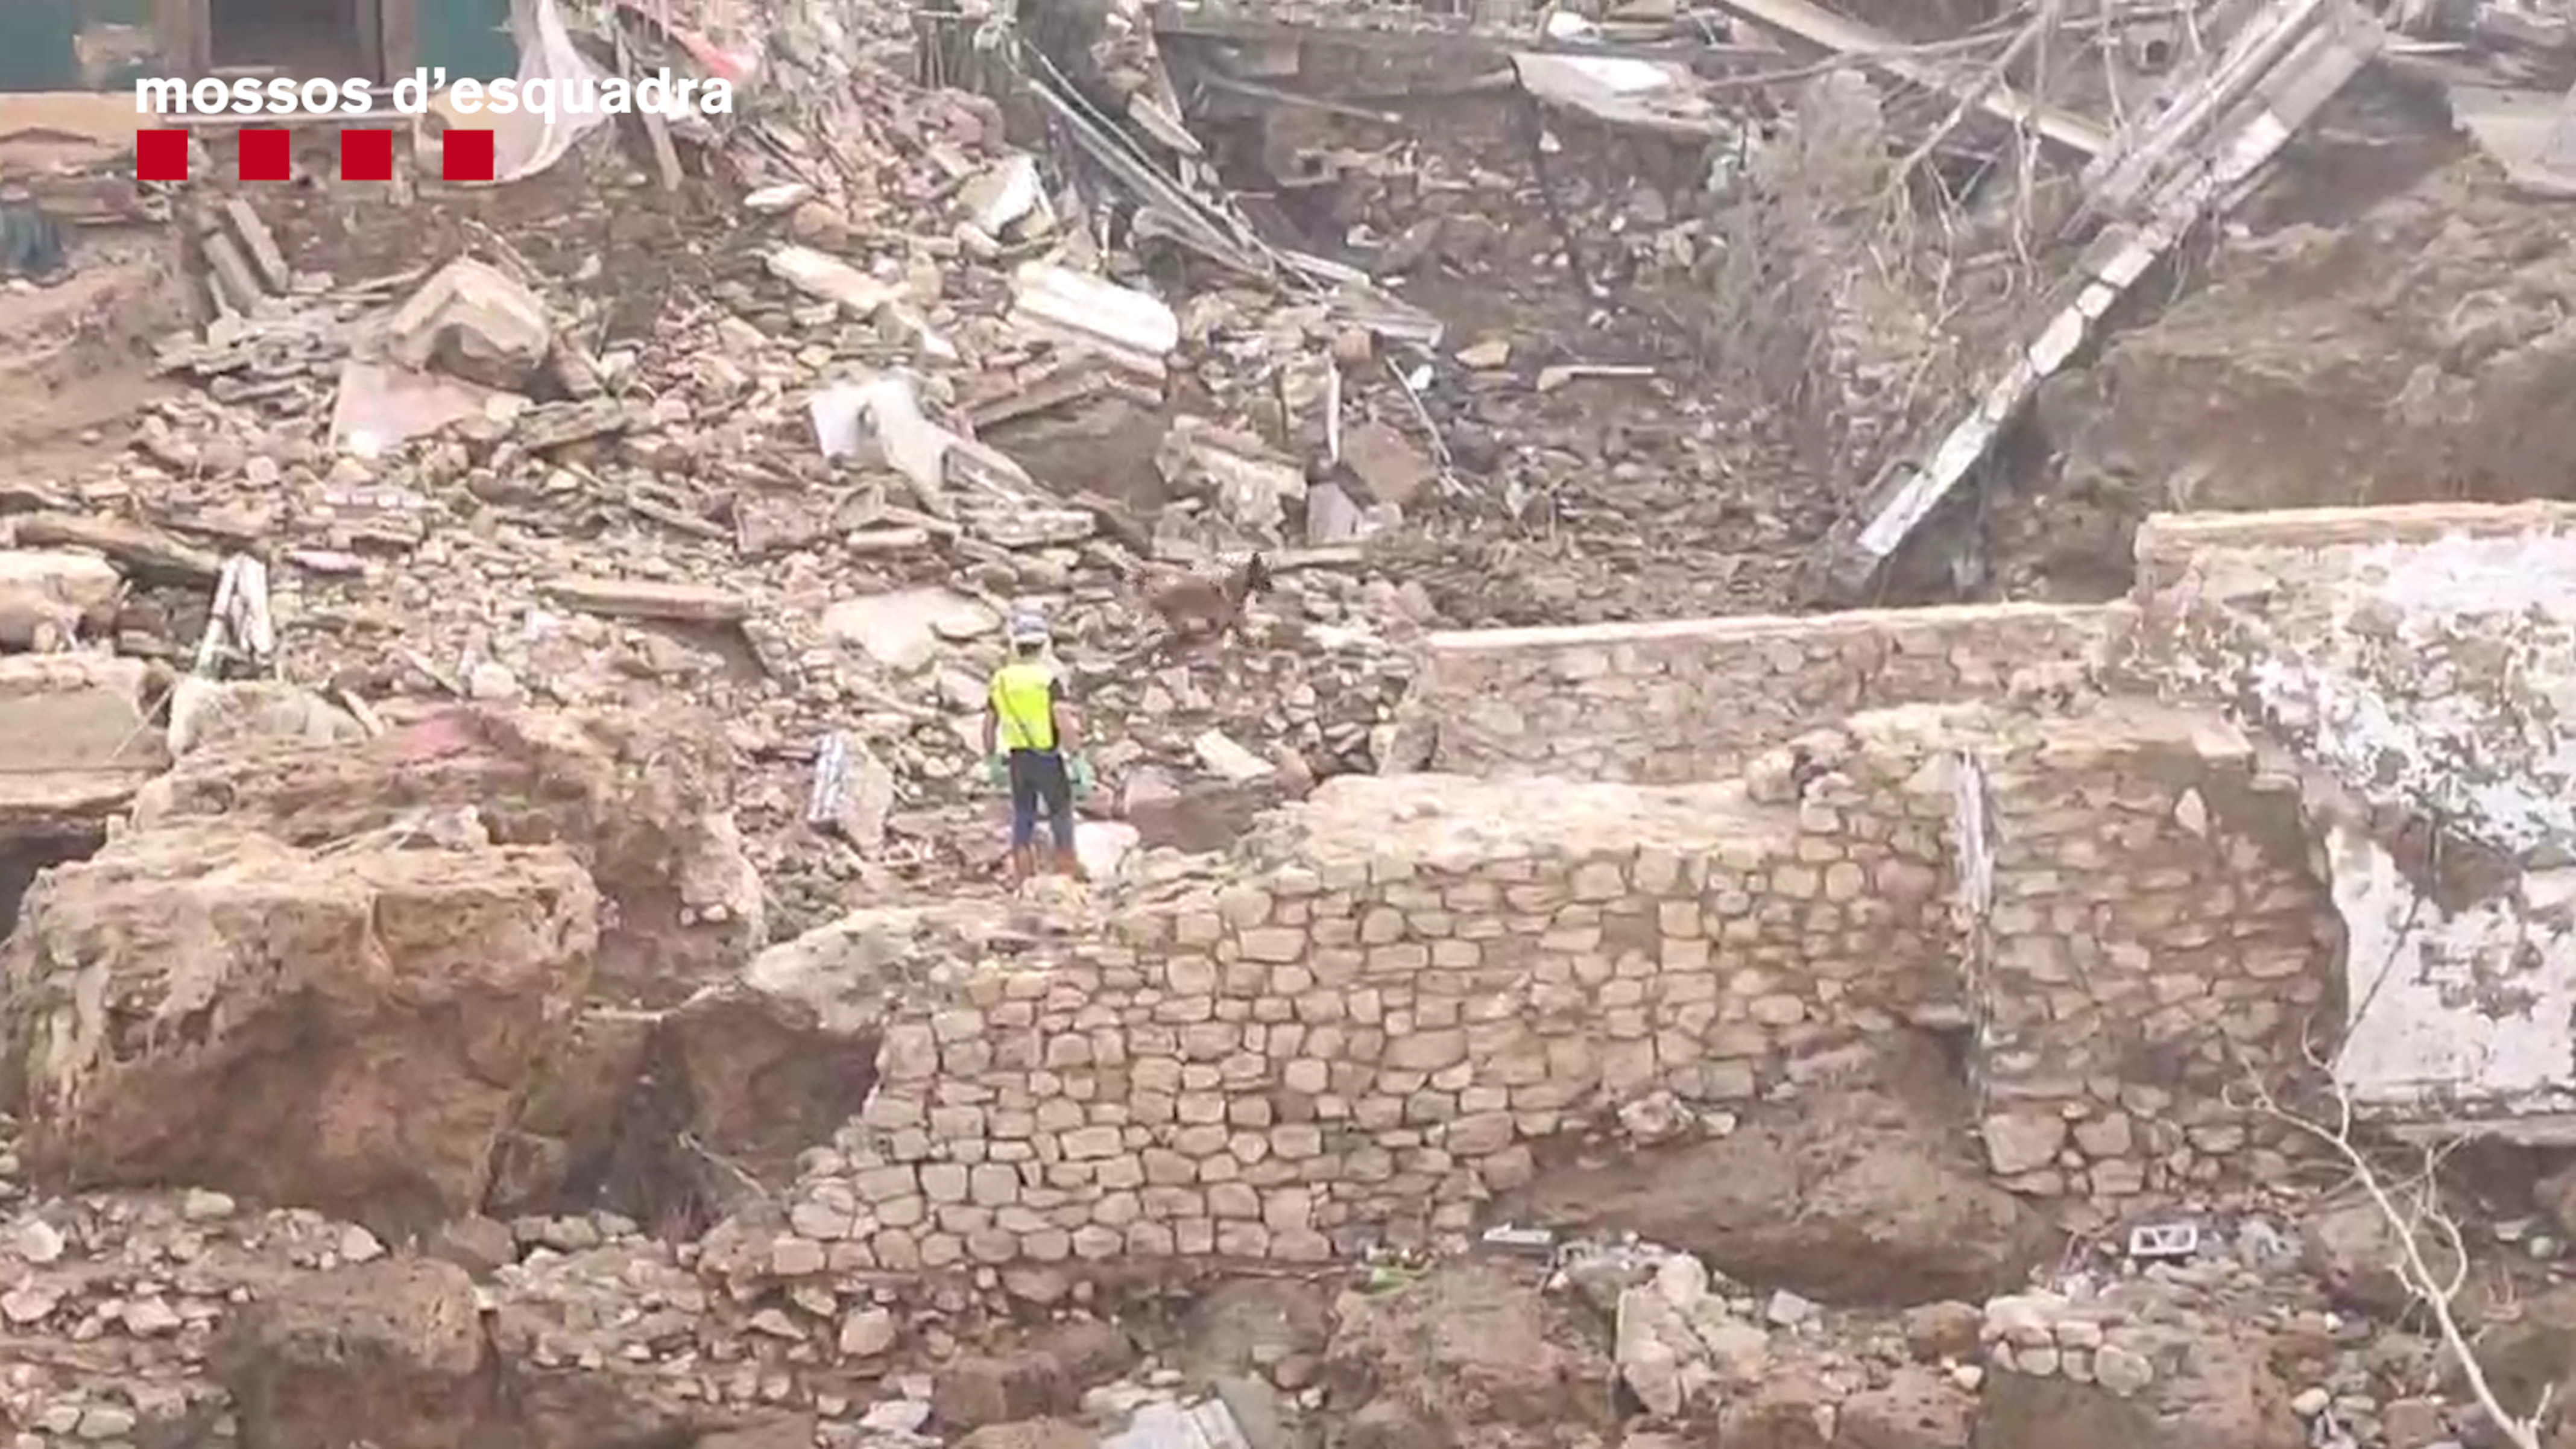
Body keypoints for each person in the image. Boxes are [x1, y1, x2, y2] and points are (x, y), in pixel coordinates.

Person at [982, 609, 1085, 882]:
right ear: (1043, 645)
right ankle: (1066, 879)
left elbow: (989, 725)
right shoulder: (1047, 679)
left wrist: (991, 759)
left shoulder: (1001, 680)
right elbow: (1062, 721)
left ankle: (1023, 880)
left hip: (1018, 759)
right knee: (1061, 816)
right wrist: (1076, 757)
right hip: (1047, 757)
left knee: (1023, 817)